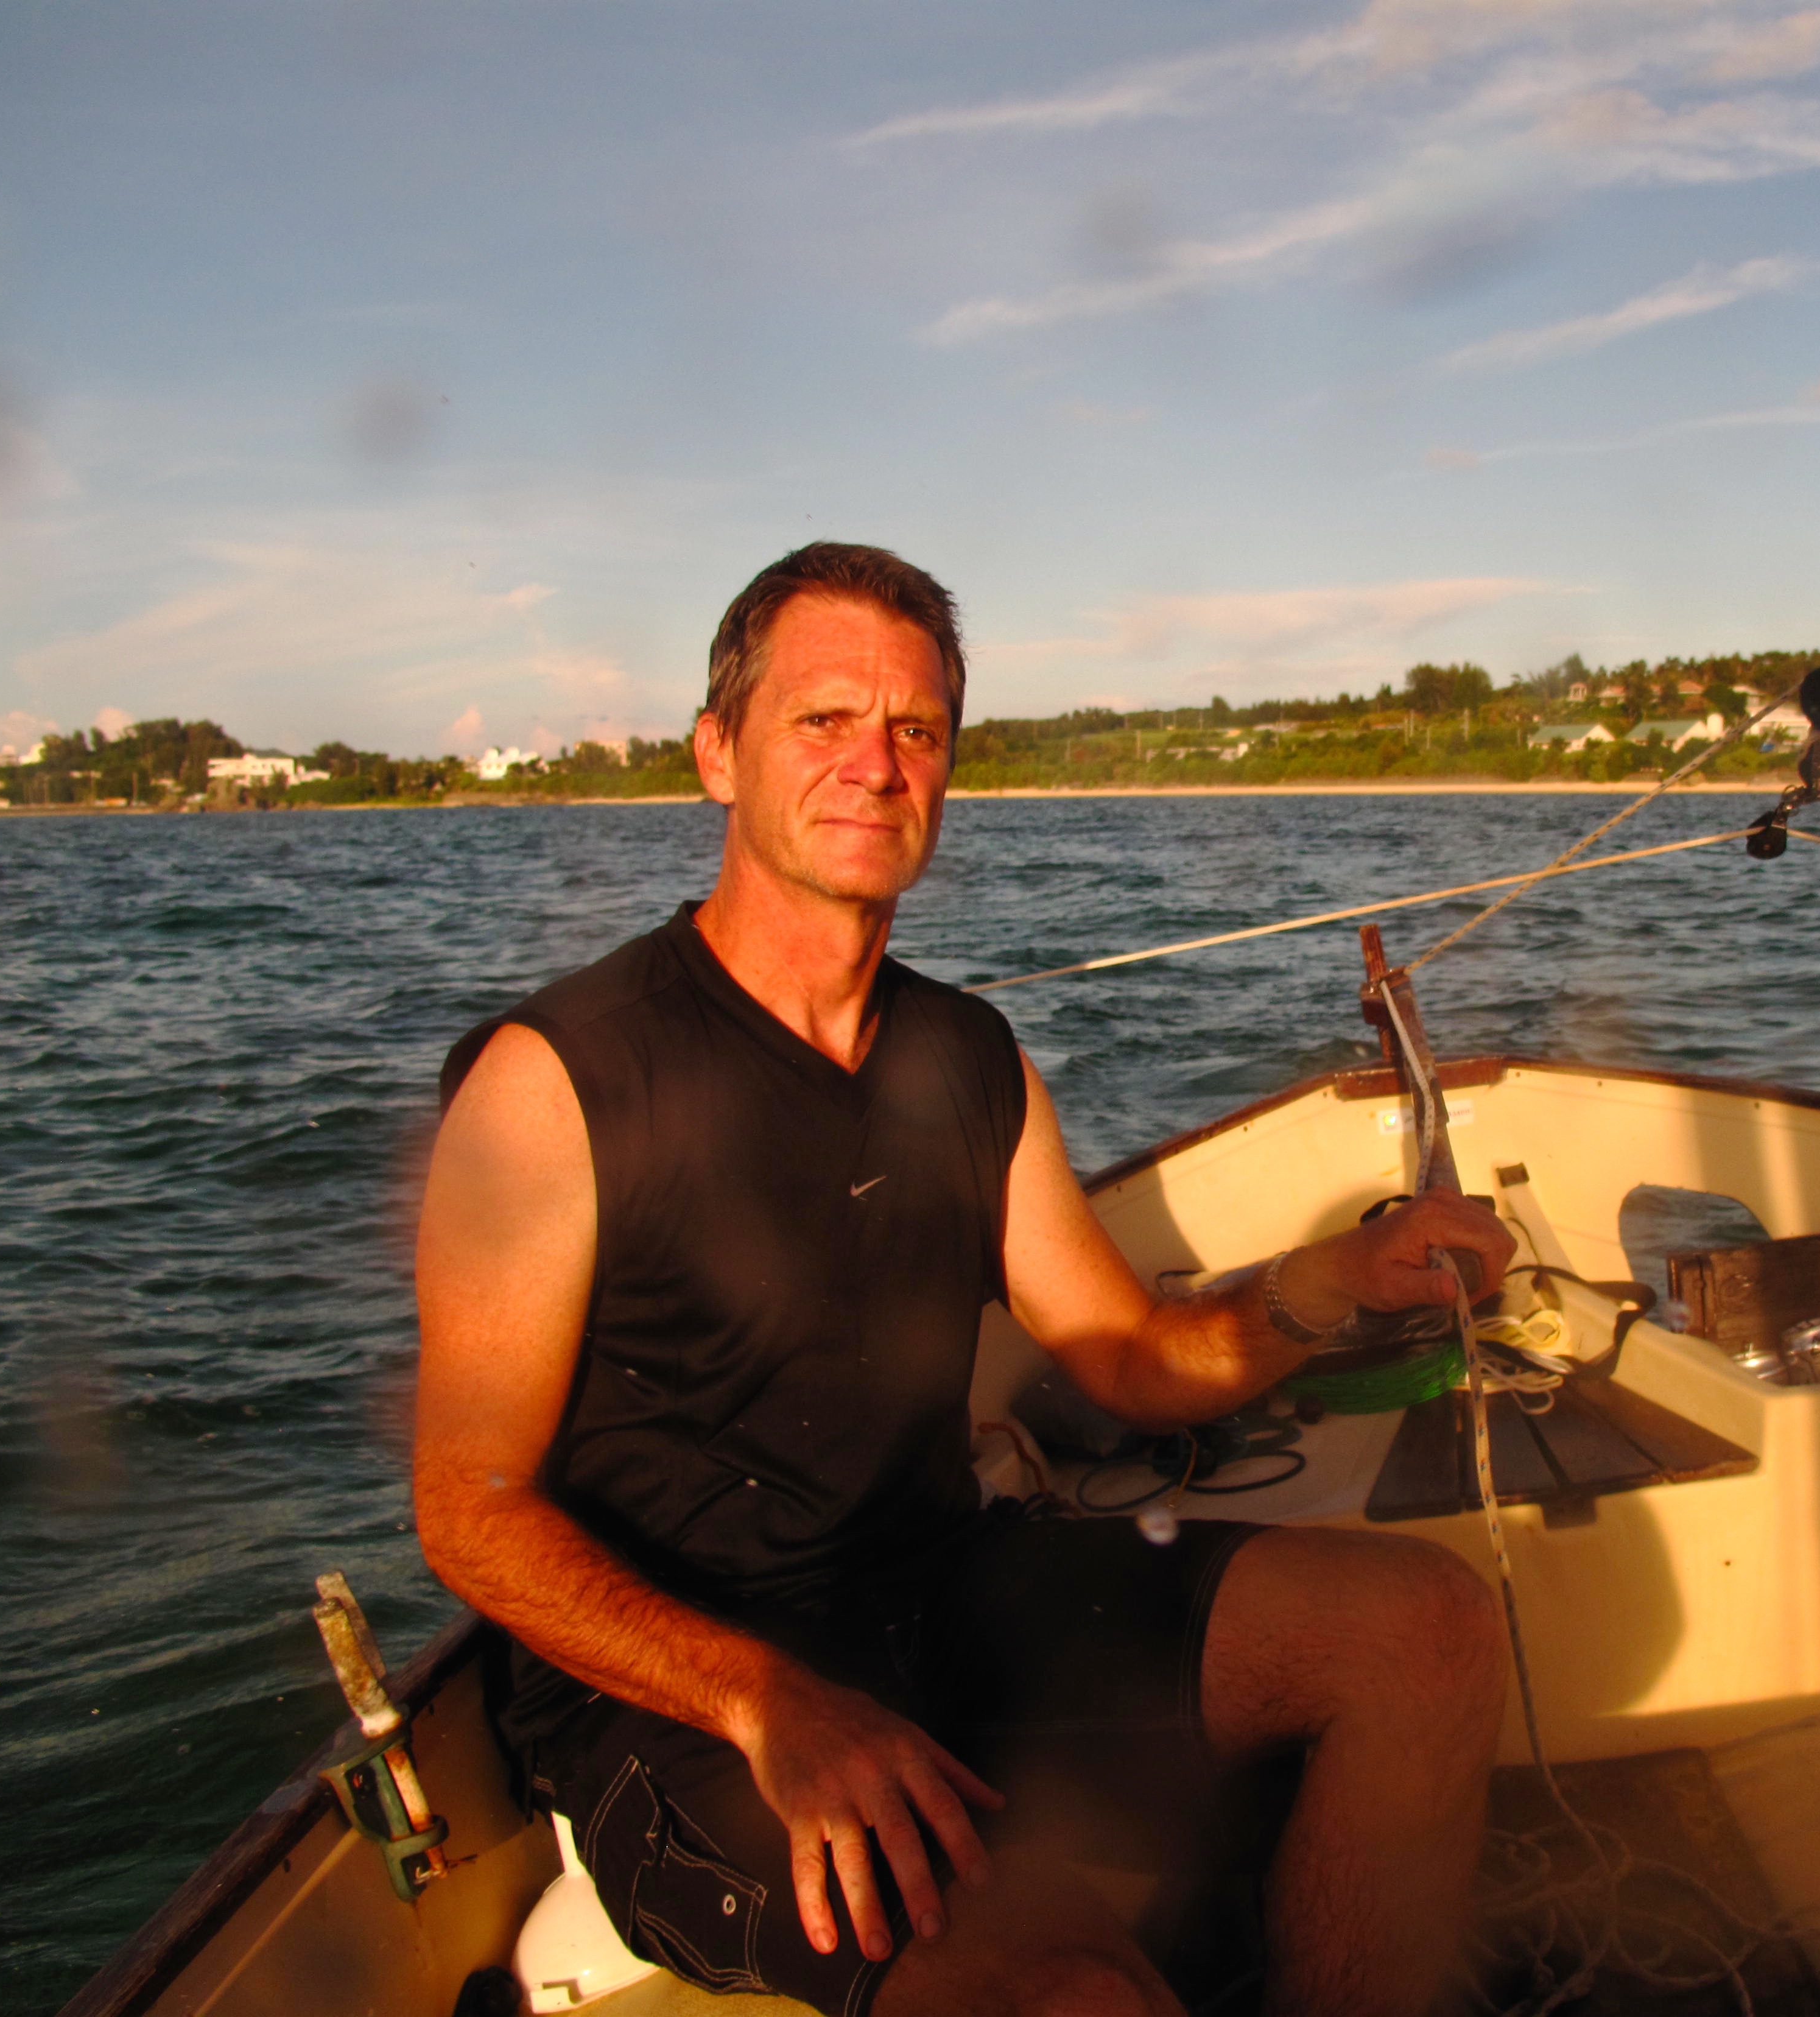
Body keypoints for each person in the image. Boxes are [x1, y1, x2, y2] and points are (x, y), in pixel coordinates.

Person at [413, 543, 1516, 2017]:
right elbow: (467, 1507)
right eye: (822, 719)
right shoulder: (557, 1081)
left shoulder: (967, 1059)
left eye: (915, 729)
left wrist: (1332, 1283)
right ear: (716, 754)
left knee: (1427, 1632)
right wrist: (765, 1700)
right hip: (684, 1703)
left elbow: (1127, 1358)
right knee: (1076, 1998)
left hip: (943, 1594)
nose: (875, 764)